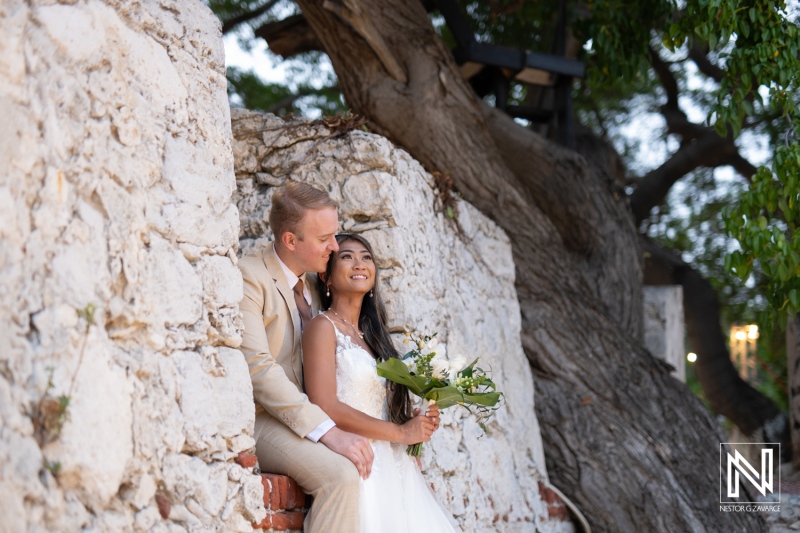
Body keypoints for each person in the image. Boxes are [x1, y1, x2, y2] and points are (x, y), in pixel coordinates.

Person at [302, 233, 462, 532]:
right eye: (347, 256)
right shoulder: (321, 327)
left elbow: (382, 406)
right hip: (359, 459)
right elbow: (324, 405)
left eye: (366, 257)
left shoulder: (375, 339)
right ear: (327, 276)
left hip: (395, 463)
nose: (360, 263)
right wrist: (400, 433)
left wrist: (417, 424)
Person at [238, 182, 374, 533]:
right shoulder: (250, 277)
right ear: (290, 241)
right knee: (341, 476)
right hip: (265, 417)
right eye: (324, 238)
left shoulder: (317, 283)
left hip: (313, 415)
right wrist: (328, 432)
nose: (334, 245)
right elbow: (258, 369)